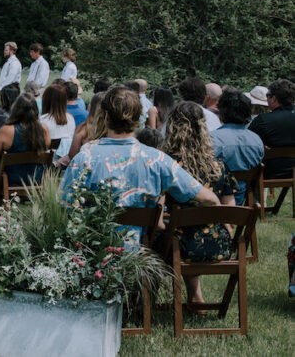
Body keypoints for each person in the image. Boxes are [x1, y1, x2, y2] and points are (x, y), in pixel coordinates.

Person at [61, 87, 219, 247]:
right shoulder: (157, 159)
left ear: (106, 116)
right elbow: (207, 198)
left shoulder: (85, 157)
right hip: (140, 256)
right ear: (137, 118)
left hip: (92, 253)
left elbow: (64, 206)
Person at [161, 102, 237, 306]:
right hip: (219, 245)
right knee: (188, 228)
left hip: (179, 246)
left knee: (160, 234)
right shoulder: (218, 165)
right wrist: (228, 231)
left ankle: (145, 301)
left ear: (172, 128)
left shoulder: (168, 164)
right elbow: (230, 210)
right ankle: (196, 296)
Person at [211, 89, 264, 206]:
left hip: (216, 204)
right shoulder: (257, 140)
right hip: (241, 202)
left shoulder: (212, 139)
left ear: (221, 113)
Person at [248, 79, 295, 180]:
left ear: (273, 98)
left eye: (267, 96)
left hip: (268, 173)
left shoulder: (263, 120)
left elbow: (247, 143)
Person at [40, 83, 76, 159]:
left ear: (46, 100)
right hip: (66, 162)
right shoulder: (70, 119)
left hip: (46, 163)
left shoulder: (42, 121)